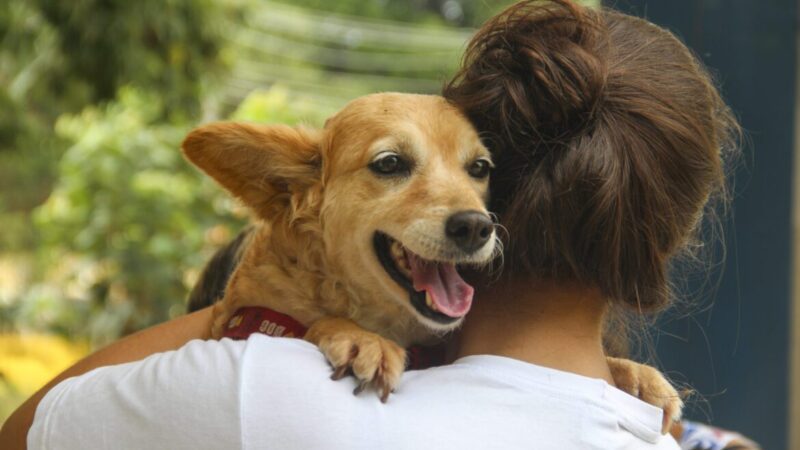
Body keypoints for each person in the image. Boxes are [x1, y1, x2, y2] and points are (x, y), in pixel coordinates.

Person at [0, 1, 741, 449]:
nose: (461, 207)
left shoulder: (256, 395)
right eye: (393, 165)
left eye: (476, 170)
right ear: (671, 233)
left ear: (510, 194)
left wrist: (249, 315)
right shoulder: (649, 425)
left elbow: (30, 434)